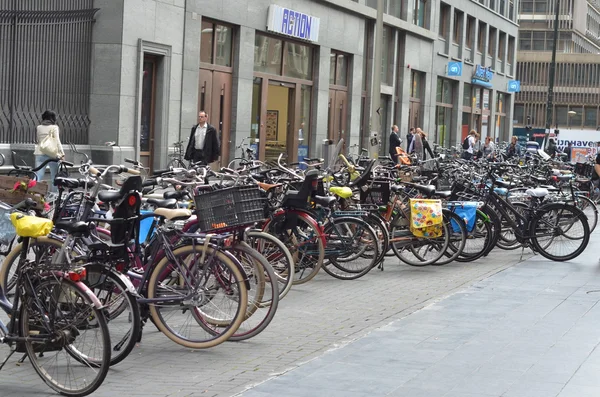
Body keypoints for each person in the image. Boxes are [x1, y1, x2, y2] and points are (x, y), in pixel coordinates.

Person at [34, 109, 65, 192]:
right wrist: (62, 153)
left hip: (40, 152)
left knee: (38, 175)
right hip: (53, 154)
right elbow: (57, 141)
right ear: (53, 118)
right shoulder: (54, 127)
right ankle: (54, 196)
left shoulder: (39, 127)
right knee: (54, 176)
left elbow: (38, 140)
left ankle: (32, 192)